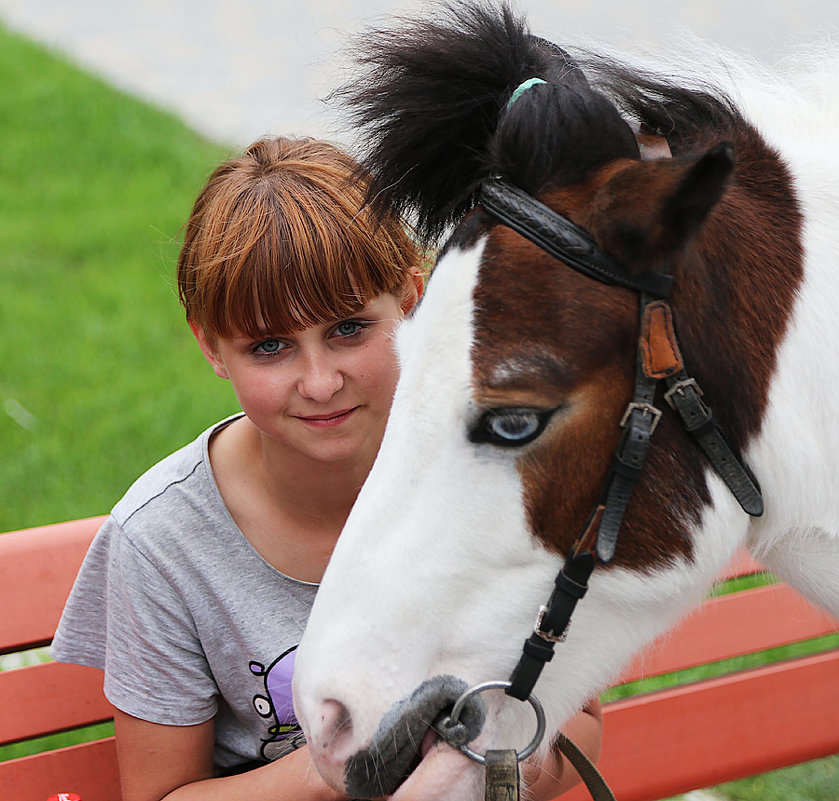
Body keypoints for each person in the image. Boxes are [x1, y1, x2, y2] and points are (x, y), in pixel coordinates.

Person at [51, 135, 602, 801]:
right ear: (210, 346)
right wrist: (336, 763)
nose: (318, 382)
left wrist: (480, 767)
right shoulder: (163, 542)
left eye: (347, 329)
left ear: (411, 303)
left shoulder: (494, 477)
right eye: (270, 345)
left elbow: (582, 728)